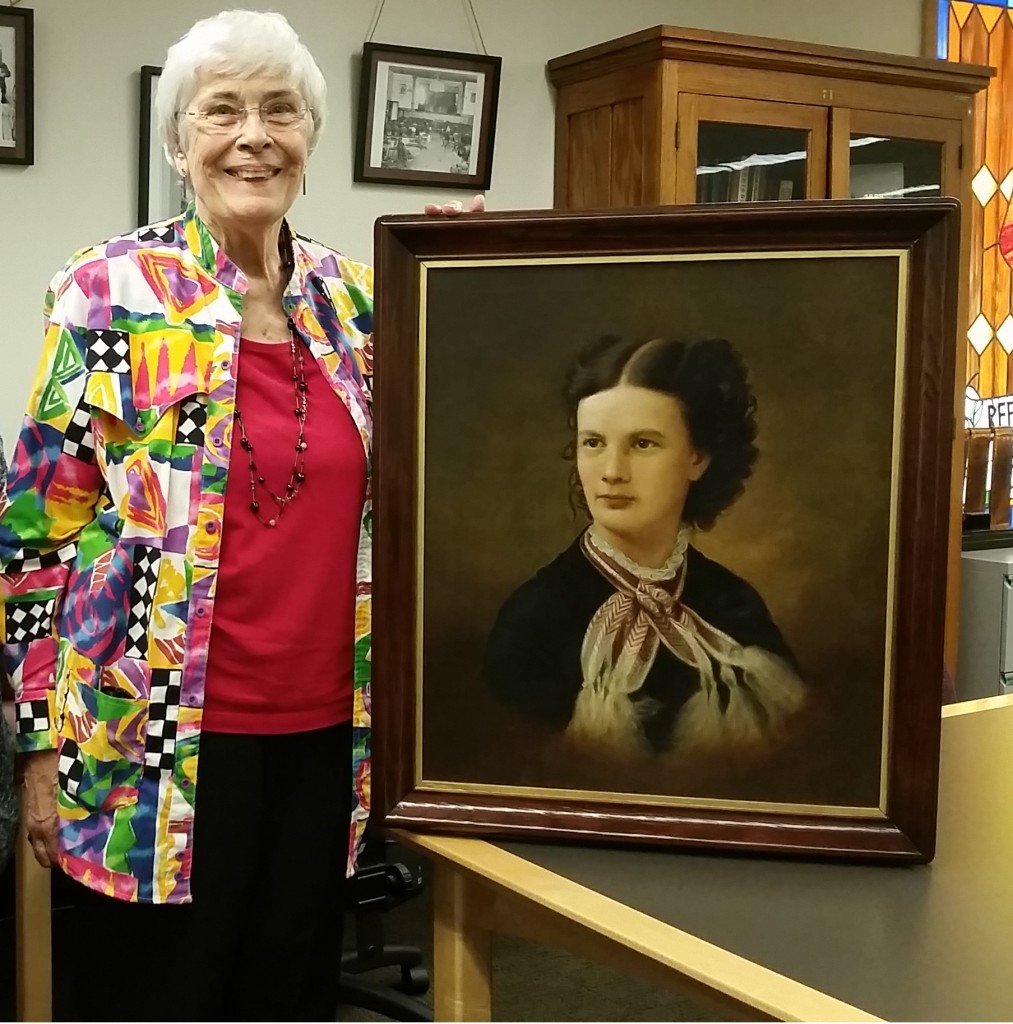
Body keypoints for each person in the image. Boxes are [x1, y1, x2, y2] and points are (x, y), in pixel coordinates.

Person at [0, 10, 480, 1020]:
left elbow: (454, 470)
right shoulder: (107, 294)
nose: (252, 134)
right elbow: (35, 538)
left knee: (287, 998)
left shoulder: (363, 303)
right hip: (145, 751)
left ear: (309, 139)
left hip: (326, 740)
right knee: (150, 997)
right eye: (221, 111)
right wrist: (38, 748)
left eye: (279, 110)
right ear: (179, 144)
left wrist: (477, 288)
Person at [484, 334, 805, 764]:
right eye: (594, 442)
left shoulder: (735, 607)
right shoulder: (533, 621)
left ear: (698, 458)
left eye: (643, 443)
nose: (612, 472)